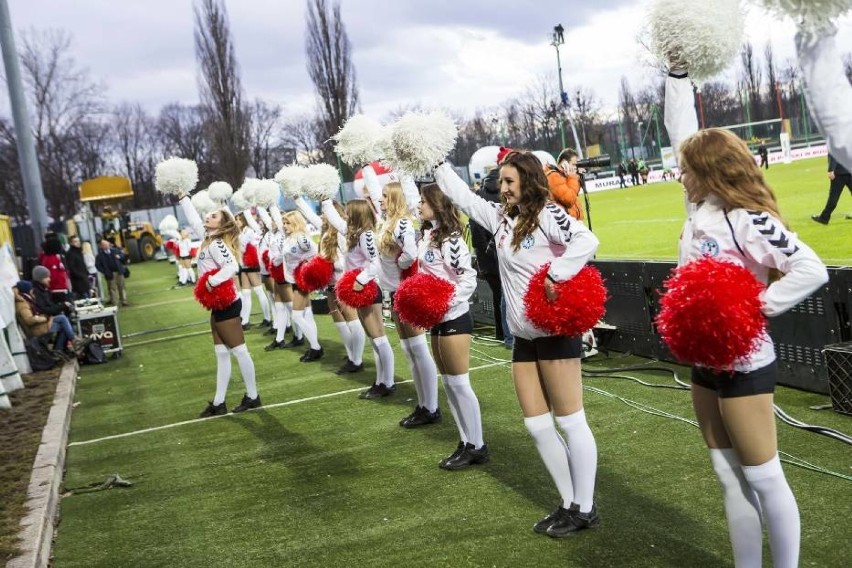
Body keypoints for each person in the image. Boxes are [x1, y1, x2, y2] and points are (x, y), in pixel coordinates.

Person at [678, 128, 828, 568]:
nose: (680, 176)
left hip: (745, 363)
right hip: (704, 363)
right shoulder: (698, 213)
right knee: (729, 478)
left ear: (707, 171)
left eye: (686, 169)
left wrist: (754, 307)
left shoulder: (746, 218)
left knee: (764, 477)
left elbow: (810, 268)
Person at [434, 151, 601, 538]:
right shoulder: (501, 218)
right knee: (537, 425)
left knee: (570, 420)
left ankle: (586, 506)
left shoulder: (547, 214)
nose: (502, 188)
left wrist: (557, 274)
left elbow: (587, 239)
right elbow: (466, 199)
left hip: (555, 332)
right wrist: (438, 163)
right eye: (501, 183)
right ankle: (568, 502)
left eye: (509, 182)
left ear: (527, 181)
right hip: (524, 335)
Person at [356, 181, 441, 420]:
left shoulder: (402, 222)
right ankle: (424, 404)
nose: (380, 199)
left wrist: (399, 266)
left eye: (384, 195)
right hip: (395, 292)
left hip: (405, 291)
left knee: (418, 348)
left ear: (395, 197)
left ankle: (431, 407)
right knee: (409, 349)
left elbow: (411, 253)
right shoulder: (389, 221)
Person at [418, 183, 486, 469]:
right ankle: (464, 440)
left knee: (459, 383)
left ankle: (478, 445)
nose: (419, 205)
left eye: (423, 201)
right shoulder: (429, 234)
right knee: (448, 383)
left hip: (454, 316)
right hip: (437, 318)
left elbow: (467, 279)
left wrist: (445, 303)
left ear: (437, 203)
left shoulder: (452, 239)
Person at [179, 192, 261, 417]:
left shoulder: (216, 243)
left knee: (240, 352)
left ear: (222, 224)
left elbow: (232, 266)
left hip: (227, 304)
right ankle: (219, 402)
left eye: (213, 216)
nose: (207, 217)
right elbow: (195, 220)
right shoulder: (206, 237)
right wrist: (182, 196)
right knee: (222, 355)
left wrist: (211, 282)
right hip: (218, 305)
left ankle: (253, 396)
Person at [323, 198, 396, 399]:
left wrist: (360, 280)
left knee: (379, 338)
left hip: (369, 290)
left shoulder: (367, 236)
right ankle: (381, 380)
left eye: (348, 212)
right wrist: (325, 200)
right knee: (374, 339)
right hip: (361, 290)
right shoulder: (355, 234)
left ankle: (388, 382)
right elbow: (336, 221)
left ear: (357, 214)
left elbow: (375, 263)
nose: (345, 215)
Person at [297, 196, 365, 374]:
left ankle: (357, 360)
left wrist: (329, 263)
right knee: (339, 321)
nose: (321, 215)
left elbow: (348, 261)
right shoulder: (325, 231)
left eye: (325, 212)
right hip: (330, 285)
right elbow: (309, 214)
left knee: (352, 320)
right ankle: (351, 355)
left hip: (343, 283)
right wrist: (297, 197)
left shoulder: (343, 233)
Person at [469, 148, 512, 348]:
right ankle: (509, 336)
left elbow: (476, 230)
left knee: (498, 295)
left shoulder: (480, 197)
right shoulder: (505, 199)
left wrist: (482, 252)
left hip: (485, 256)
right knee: (506, 296)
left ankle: (501, 333)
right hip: (501, 253)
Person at [281, 210, 324, 362]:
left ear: (296, 223)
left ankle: (316, 347)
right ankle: (314, 347)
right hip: (293, 280)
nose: (285, 226)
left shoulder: (301, 238)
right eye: (284, 223)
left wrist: (306, 267)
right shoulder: (290, 237)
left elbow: (315, 252)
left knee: (297, 315)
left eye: (288, 223)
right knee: (307, 313)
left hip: (301, 280)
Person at [16, 278, 81, 357]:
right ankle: (69, 343)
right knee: (64, 323)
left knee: (63, 319)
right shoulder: (23, 305)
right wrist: (42, 318)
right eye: (31, 289)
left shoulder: (27, 300)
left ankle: (65, 345)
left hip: (40, 324)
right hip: (36, 329)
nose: (33, 291)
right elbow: (29, 320)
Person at [235, 210, 271, 329]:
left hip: (251, 264)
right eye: (236, 220)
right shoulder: (241, 232)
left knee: (259, 291)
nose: (237, 222)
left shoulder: (249, 231)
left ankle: (268, 318)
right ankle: (244, 321)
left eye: (239, 220)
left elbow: (243, 247)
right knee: (246, 293)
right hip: (244, 265)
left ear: (244, 220)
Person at [545, 148, 585, 220]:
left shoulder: (565, 176)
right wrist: (572, 177)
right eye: (574, 164)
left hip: (572, 222)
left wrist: (577, 177)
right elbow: (569, 200)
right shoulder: (554, 176)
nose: (575, 168)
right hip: (566, 225)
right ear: (564, 162)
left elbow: (573, 193)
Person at [811, 153, 851, 224]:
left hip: (839, 173)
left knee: (833, 197)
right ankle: (824, 217)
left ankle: (824, 218)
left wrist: (831, 169)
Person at [95, 239, 129, 307]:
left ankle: (124, 301)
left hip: (119, 271)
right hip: (110, 274)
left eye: (107, 244)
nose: (107, 246)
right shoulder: (100, 255)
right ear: (101, 246)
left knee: (121, 286)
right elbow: (98, 265)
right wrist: (105, 271)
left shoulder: (115, 251)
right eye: (104, 245)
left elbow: (123, 256)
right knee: (112, 288)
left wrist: (119, 257)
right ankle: (115, 302)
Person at [39, 233, 71, 302]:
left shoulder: (56, 257)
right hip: (56, 289)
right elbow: (52, 275)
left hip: (61, 287)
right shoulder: (51, 259)